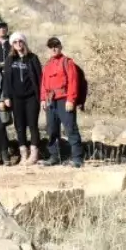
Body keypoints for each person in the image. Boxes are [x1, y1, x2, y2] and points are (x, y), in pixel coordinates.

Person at [39, 37, 83, 168]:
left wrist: (71, 100)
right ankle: (54, 156)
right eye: (51, 46)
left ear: (60, 47)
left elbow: (73, 82)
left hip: (64, 99)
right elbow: (43, 84)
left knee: (70, 129)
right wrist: (42, 99)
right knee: (52, 129)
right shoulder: (47, 65)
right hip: (50, 100)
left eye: (56, 46)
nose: (53, 48)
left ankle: (77, 158)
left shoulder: (67, 62)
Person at [2, 33, 42, 165]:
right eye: (15, 42)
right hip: (16, 98)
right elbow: (6, 80)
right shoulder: (10, 59)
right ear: (12, 45)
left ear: (24, 42)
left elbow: (39, 78)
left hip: (31, 97)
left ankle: (34, 153)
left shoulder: (32, 58)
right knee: (19, 127)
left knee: (33, 125)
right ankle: (24, 154)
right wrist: (6, 96)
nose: (18, 44)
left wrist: (41, 97)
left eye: (20, 41)